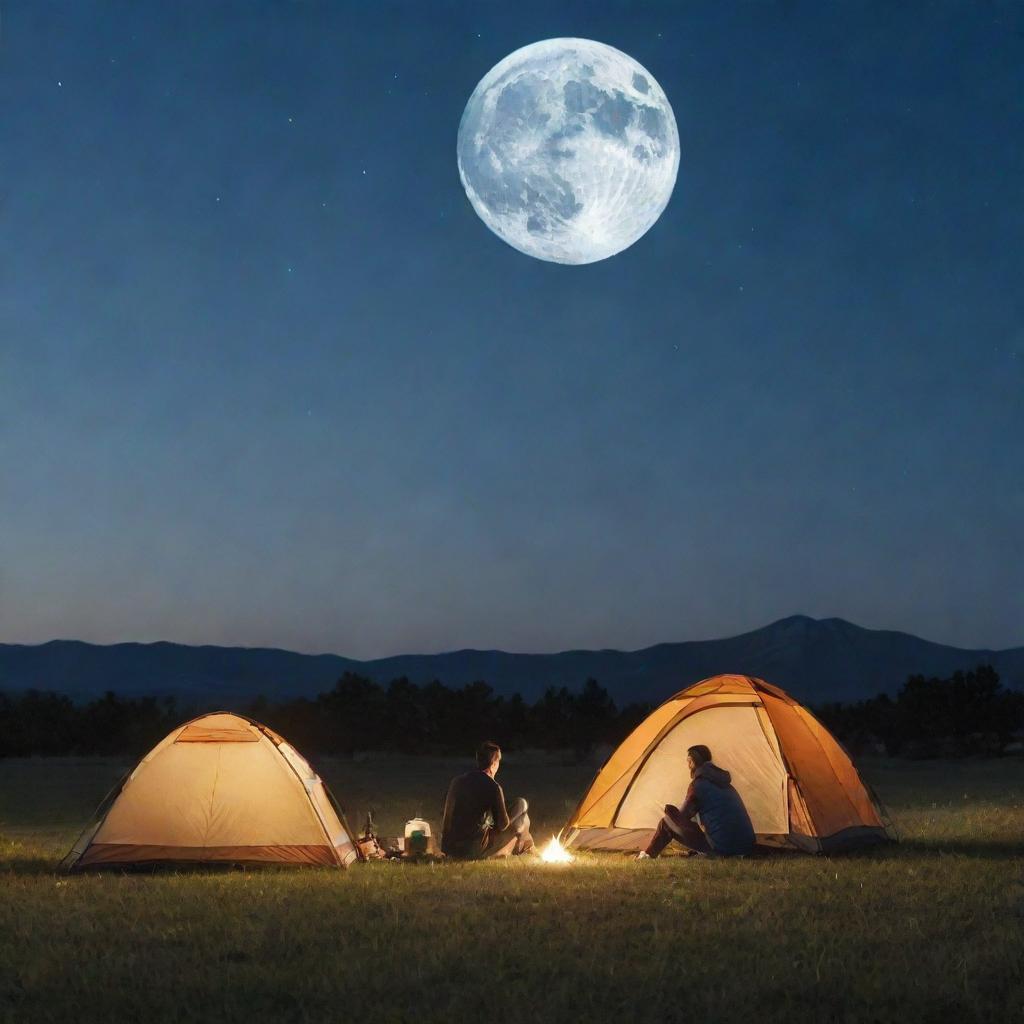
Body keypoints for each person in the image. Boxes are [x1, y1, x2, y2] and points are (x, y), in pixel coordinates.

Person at [636, 744, 755, 859]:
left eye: (689, 761)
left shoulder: (698, 785)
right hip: (746, 847)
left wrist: (670, 811)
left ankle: (648, 854)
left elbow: (682, 817)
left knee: (667, 822)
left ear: (694, 762)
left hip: (722, 849)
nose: (688, 765)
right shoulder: (725, 783)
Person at [441, 741, 535, 859]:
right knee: (522, 818)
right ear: (494, 763)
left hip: (450, 848)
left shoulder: (457, 781)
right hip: (471, 851)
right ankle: (526, 847)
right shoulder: (493, 787)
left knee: (519, 807)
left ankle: (527, 847)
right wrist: (519, 809)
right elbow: (502, 825)